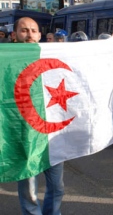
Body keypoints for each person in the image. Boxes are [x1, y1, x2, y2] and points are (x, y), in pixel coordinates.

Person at [11, 17, 64, 214]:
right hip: (24, 133)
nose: (29, 34)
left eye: (33, 30)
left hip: (52, 134)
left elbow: (85, 60)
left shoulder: (50, 54)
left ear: (40, 35)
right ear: (14, 35)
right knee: (29, 190)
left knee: (57, 187)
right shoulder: (5, 58)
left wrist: (110, 47)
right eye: (24, 30)